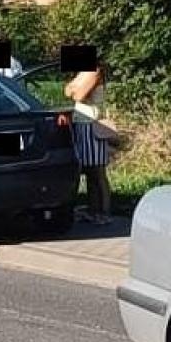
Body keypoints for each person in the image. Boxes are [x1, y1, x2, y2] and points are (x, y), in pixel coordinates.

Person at [64, 65, 115, 224]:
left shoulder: (94, 72)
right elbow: (67, 91)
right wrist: (75, 89)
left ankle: (105, 212)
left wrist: (75, 88)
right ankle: (93, 210)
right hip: (82, 125)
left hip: (93, 126)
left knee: (98, 172)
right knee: (89, 172)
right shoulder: (82, 73)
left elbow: (78, 95)